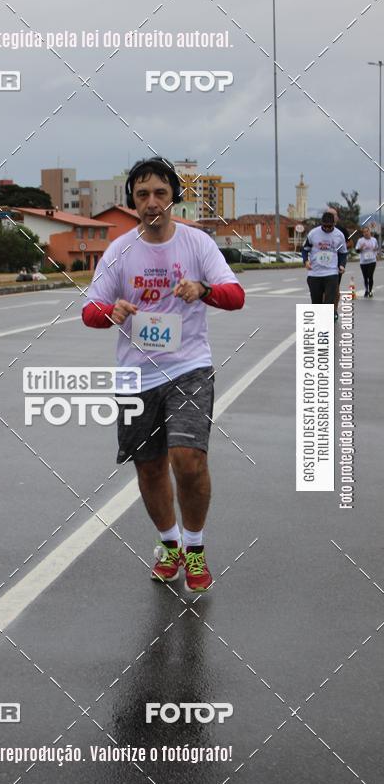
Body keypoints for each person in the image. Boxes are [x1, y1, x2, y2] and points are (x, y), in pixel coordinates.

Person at [81, 157, 245, 591]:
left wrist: (203, 290)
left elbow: (235, 295)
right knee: (150, 467)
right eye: (142, 195)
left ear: (174, 197)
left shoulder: (197, 244)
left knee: (188, 459)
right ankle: (170, 545)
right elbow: (89, 311)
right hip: (136, 376)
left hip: (189, 366)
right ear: (132, 202)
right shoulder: (119, 251)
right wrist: (111, 311)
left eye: (160, 193)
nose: (152, 202)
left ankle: (195, 548)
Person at [302, 212, 347, 316]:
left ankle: (326, 323)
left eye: (329, 226)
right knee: (316, 303)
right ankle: (320, 322)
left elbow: (343, 253)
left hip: (331, 273)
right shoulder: (313, 233)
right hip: (314, 273)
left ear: (334, 224)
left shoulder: (339, 235)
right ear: (321, 223)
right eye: (324, 226)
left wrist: (342, 265)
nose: (327, 229)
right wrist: (306, 261)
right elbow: (305, 249)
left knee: (329, 302)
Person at [326, 207, 352, 318]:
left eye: (334, 215)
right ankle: (324, 310)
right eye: (329, 214)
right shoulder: (319, 229)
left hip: (336, 264)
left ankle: (334, 310)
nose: (331, 217)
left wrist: (342, 246)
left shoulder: (341, 230)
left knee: (335, 289)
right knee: (323, 290)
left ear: (337, 217)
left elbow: (350, 243)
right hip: (323, 264)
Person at [356, 225, 378, 297]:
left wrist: (375, 249)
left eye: (367, 231)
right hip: (363, 262)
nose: (366, 233)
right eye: (364, 232)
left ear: (369, 232)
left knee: (370, 276)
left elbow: (376, 248)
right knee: (365, 277)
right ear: (363, 233)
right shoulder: (360, 240)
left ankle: (370, 291)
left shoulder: (374, 240)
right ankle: (366, 290)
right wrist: (361, 248)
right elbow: (357, 251)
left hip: (372, 261)